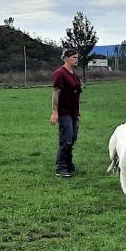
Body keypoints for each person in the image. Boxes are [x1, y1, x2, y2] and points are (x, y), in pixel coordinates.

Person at [50, 49, 82, 177]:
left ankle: (68, 163)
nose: (76, 59)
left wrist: (78, 113)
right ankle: (61, 166)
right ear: (66, 58)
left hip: (73, 112)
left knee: (72, 138)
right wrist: (55, 112)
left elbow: (77, 95)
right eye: (74, 57)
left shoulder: (74, 75)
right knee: (66, 139)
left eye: (77, 57)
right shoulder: (60, 74)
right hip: (64, 112)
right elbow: (55, 94)